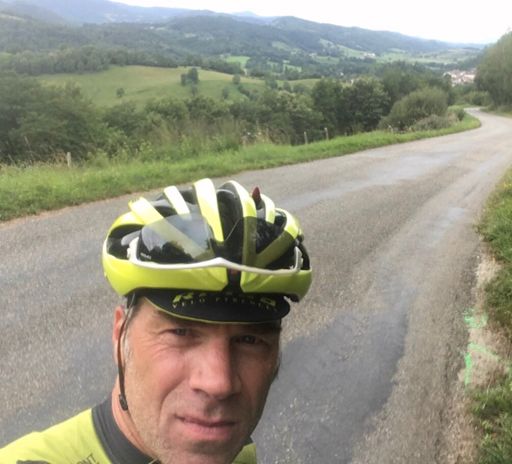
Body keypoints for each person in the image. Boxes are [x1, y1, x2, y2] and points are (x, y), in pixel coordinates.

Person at [0, 177, 312, 464]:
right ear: (120, 335)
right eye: (181, 332)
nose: (219, 383)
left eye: (250, 340)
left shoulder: (240, 452)